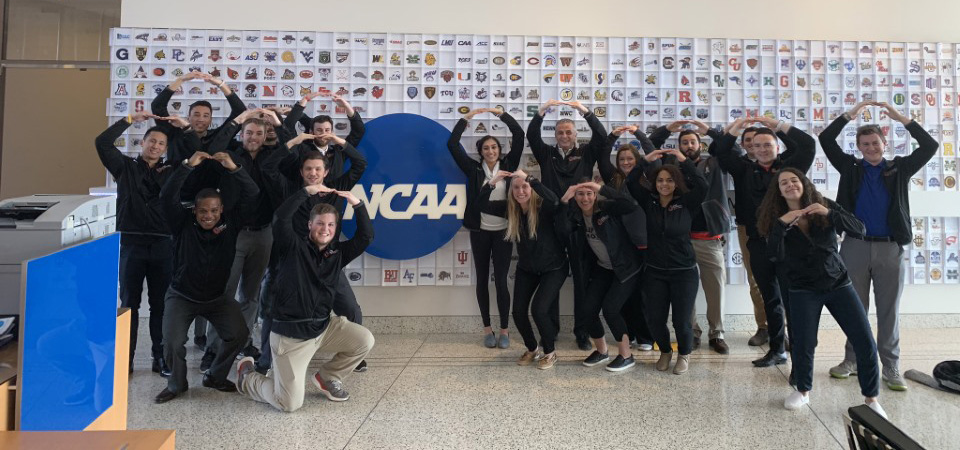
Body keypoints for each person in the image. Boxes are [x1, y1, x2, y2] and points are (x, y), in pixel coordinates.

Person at [819, 101, 938, 391]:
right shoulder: (850, 168)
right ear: (859, 147)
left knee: (889, 311)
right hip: (854, 247)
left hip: (890, 247)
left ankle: (891, 366)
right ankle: (852, 360)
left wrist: (901, 118)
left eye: (875, 142)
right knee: (854, 309)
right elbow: (826, 139)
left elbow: (930, 146)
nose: (871, 148)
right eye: (865, 144)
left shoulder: (899, 168)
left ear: (884, 143)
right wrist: (850, 115)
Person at [756, 168, 886, 418]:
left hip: (838, 283)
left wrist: (829, 213)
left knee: (864, 340)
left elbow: (860, 229)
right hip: (802, 288)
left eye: (794, 180)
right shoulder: (775, 218)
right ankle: (803, 391)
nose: (790, 185)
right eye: (784, 183)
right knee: (803, 343)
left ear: (803, 183)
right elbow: (774, 255)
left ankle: (871, 398)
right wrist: (782, 225)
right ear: (778, 191)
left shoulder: (824, 205)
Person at [236, 184, 374, 412]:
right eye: (320, 223)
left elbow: (366, 236)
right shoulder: (291, 246)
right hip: (291, 337)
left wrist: (357, 204)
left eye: (330, 225)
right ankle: (248, 378)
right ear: (310, 225)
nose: (325, 229)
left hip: (323, 328)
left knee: (364, 340)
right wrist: (305, 192)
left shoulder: (337, 254)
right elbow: (281, 218)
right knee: (289, 403)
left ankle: (328, 377)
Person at [255, 132, 368, 375]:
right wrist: (294, 142)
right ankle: (265, 362)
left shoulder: (336, 189)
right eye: (308, 169)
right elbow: (268, 167)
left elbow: (360, 164)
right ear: (301, 171)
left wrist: (339, 141)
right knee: (271, 310)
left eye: (318, 169)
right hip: (288, 262)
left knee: (350, 307)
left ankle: (353, 357)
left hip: (326, 262)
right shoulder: (289, 187)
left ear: (326, 172)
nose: (313, 173)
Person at [154, 148, 259, 403]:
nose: (208, 216)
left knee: (239, 335)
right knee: (172, 343)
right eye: (203, 211)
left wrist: (234, 168)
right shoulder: (181, 223)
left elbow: (253, 193)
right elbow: (167, 195)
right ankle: (177, 384)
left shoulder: (231, 223)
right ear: (194, 210)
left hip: (217, 298)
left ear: (221, 209)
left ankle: (215, 376)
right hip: (182, 295)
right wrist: (187, 166)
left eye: (213, 210)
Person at [152, 71, 247, 348]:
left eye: (206, 115)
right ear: (189, 116)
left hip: (209, 212)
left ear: (210, 119)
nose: (201, 119)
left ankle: (201, 334)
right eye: (196, 114)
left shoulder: (218, 137)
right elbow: (158, 107)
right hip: (180, 210)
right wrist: (180, 81)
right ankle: (177, 327)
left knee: (209, 270)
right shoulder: (175, 132)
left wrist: (219, 84)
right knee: (182, 269)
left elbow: (239, 111)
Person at [713, 117, 815, 368]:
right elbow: (721, 150)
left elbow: (808, 144)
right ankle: (777, 349)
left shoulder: (789, 169)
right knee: (770, 298)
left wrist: (775, 124)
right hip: (758, 243)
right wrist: (736, 126)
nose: (762, 149)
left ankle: (800, 352)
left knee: (792, 297)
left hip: (789, 242)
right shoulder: (744, 169)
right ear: (750, 148)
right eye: (756, 145)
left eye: (768, 144)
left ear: (777, 147)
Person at [199, 108, 293, 372]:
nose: (253, 137)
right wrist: (238, 120)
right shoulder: (229, 154)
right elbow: (212, 147)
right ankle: (213, 349)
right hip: (234, 234)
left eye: (258, 133)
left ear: (265, 136)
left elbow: (292, 150)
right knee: (225, 294)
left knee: (250, 296)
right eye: (249, 132)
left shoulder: (272, 157)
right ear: (241, 134)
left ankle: (243, 341)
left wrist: (278, 123)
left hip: (264, 233)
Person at [94, 110, 176, 376]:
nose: (156, 146)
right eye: (152, 141)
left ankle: (159, 357)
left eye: (161, 143)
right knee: (129, 303)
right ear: (143, 143)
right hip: (132, 244)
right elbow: (102, 143)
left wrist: (183, 127)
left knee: (160, 304)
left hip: (163, 244)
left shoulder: (172, 171)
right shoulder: (125, 167)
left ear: (165, 149)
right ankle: (125, 358)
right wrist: (128, 119)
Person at [528, 99, 608, 351]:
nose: (564, 136)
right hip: (550, 222)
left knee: (582, 281)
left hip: (580, 222)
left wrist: (585, 112)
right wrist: (541, 112)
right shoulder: (546, 154)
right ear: (555, 135)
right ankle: (549, 330)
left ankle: (582, 331)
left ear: (576, 134)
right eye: (560, 132)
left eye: (568, 132)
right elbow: (532, 135)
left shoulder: (586, 153)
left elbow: (602, 136)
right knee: (549, 275)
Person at [649, 120, 733, 354]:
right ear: (679, 146)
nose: (688, 146)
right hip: (680, 241)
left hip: (709, 237)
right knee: (684, 292)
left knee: (715, 289)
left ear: (700, 145)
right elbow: (651, 144)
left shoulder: (714, 163)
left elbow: (729, 147)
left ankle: (717, 334)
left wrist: (709, 130)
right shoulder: (671, 167)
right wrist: (668, 128)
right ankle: (692, 331)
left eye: (693, 142)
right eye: (684, 142)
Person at [447, 107, 525, 348]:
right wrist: (466, 119)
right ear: (480, 152)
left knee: (501, 281)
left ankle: (504, 330)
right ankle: (487, 329)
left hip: (504, 231)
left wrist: (500, 114)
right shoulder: (473, 169)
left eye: (494, 147)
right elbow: (452, 144)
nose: (490, 151)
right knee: (482, 279)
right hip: (480, 232)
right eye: (486, 148)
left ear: (500, 150)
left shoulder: (509, 165)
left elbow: (519, 134)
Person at [625, 150, 708, 375]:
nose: (664, 184)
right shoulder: (649, 201)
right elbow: (631, 181)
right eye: (660, 180)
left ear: (677, 182)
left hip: (684, 272)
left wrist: (684, 160)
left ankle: (684, 354)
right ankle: (664, 351)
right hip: (655, 272)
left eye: (670, 180)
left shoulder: (687, 202)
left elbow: (702, 185)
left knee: (682, 321)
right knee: (654, 319)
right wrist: (645, 160)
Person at [477, 169, 566, 369]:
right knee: (517, 312)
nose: (520, 191)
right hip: (527, 268)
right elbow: (480, 204)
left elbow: (556, 201)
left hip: (554, 267)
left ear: (531, 187)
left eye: (524, 186)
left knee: (539, 310)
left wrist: (530, 178)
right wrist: (492, 182)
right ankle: (532, 349)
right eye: (516, 188)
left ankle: (550, 353)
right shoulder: (510, 208)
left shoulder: (543, 206)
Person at [561, 181, 644, 371]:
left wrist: (600, 187)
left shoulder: (607, 208)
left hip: (626, 267)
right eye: (580, 194)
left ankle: (626, 355)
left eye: (589, 193)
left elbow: (631, 204)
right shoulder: (576, 216)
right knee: (587, 309)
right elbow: (562, 228)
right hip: (603, 268)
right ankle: (602, 351)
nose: (585, 198)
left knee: (611, 309)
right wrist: (565, 199)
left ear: (595, 195)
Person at [597, 130, 654, 351]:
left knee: (645, 294)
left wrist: (638, 133)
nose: (626, 162)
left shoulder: (647, 178)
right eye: (622, 159)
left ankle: (646, 337)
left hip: (647, 245)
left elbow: (653, 155)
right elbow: (603, 157)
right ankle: (628, 333)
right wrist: (612, 136)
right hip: (624, 246)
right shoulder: (614, 179)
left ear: (638, 160)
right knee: (626, 294)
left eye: (630, 158)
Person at [285, 94, 365, 181]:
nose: (323, 134)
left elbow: (358, 131)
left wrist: (347, 106)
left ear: (332, 132)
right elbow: (288, 128)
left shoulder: (339, 152)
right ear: (311, 132)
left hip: (333, 189)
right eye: (319, 130)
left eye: (327, 130)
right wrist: (301, 105)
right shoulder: (301, 149)